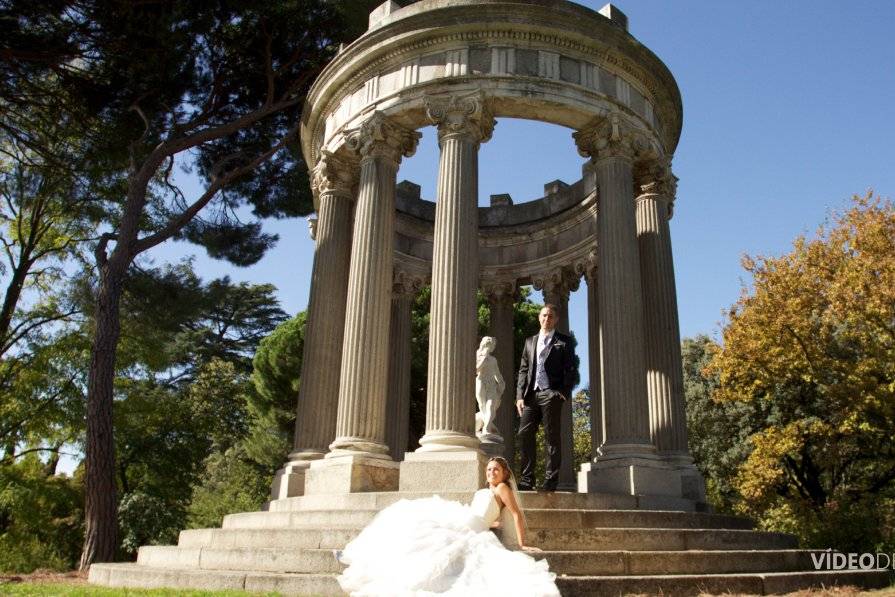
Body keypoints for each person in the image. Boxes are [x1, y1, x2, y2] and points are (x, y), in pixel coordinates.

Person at [337, 456, 559, 596]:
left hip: (473, 527)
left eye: (496, 470)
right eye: (489, 469)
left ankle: (358, 558)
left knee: (427, 534)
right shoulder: (487, 489)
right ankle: (357, 556)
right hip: (468, 519)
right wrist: (493, 522)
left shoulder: (502, 488)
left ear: (505, 473)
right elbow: (491, 514)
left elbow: (516, 514)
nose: (491, 472)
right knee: (416, 522)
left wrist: (523, 544)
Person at [515, 304, 577, 491]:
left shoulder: (564, 341)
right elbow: (524, 370)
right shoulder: (529, 341)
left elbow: (571, 370)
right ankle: (527, 479)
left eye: (550, 316)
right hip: (531, 395)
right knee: (524, 434)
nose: (546, 319)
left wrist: (562, 393)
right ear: (539, 317)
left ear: (556, 319)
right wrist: (519, 396)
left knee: (551, 438)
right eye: (543, 315)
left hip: (551, 394)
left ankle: (551, 480)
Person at [475, 336, 505, 438]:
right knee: (482, 406)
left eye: (494, 345)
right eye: (492, 345)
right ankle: (489, 425)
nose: (493, 347)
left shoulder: (493, 360)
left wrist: (501, 383)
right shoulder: (478, 355)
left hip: (491, 384)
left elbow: (497, 374)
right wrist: (484, 357)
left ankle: (486, 428)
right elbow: (476, 370)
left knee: (491, 405)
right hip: (481, 382)